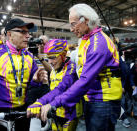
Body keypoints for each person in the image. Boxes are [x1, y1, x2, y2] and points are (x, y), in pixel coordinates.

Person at [35, 3, 123, 131]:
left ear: (85, 20)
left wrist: (53, 103)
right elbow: (70, 76)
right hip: (93, 99)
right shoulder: (86, 41)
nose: (71, 29)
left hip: (103, 101)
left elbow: (84, 81)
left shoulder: (98, 44)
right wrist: (43, 101)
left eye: (73, 24)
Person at [0, 18, 38, 131]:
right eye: (23, 32)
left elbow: (34, 85)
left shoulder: (30, 56)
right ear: (9, 34)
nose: (28, 36)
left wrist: (36, 83)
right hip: (1, 112)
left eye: (28, 32)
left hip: (23, 112)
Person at [27, 39, 83, 131]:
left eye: (53, 57)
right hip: (55, 111)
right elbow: (52, 88)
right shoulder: (55, 67)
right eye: (48, 58)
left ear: (63, 55)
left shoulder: (71, 68)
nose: (49, 61)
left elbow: (60, 89)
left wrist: (40, 102)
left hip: (69, 114)